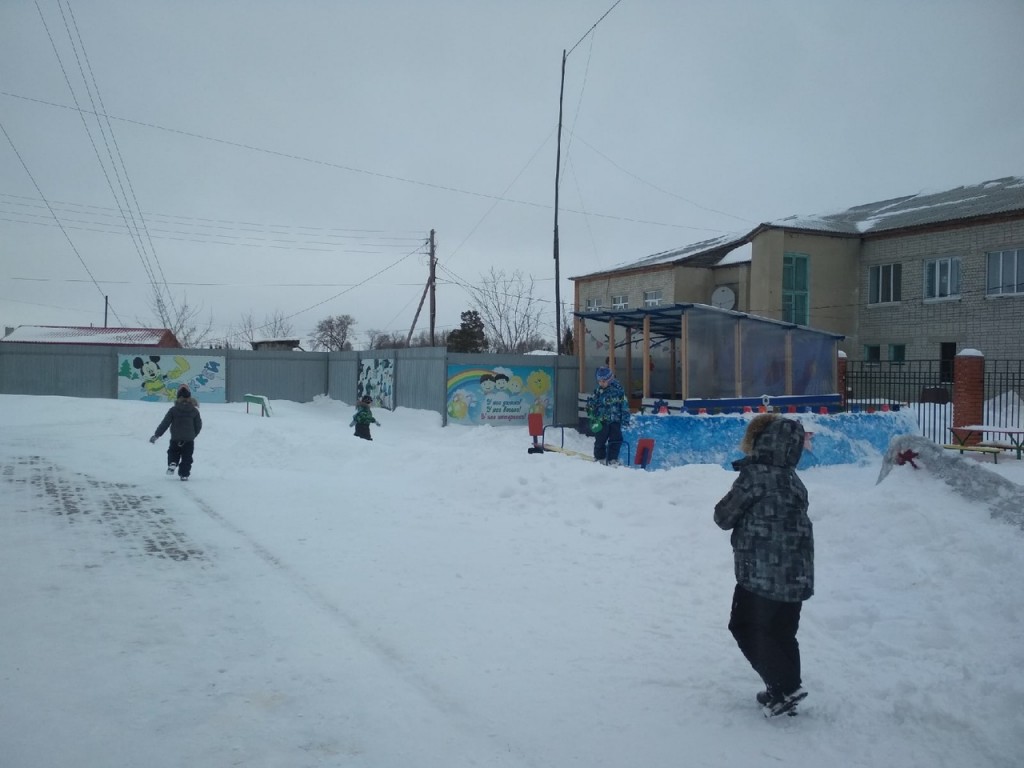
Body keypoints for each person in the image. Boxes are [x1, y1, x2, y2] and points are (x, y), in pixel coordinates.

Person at [714, 413, 814, 718]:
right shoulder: (794, 480)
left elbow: (723, 516)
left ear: (760, 441)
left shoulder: (755, 476)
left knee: (745, 627)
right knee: (782, 632)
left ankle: (785, 687)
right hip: (797, 573)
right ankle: (782, 689)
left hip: (761, 572)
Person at [149, 385, 202, 481]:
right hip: (189, 439)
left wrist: (157, 435)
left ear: (178, 396)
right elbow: (198, 425)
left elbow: (165, 423)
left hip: (175, 438)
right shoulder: (194, 411)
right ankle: (184, 474)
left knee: (173, 452)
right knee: (187, 457)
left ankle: (173, 462)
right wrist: (193, 435)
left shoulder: (173, 410)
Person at [586, 365, 630, 465]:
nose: (601, 383)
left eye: (603, 381)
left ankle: (612, 458)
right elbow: (592, 401)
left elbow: (624, 405)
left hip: (615, 420)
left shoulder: (618, 390)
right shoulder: (598, 391)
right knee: (600, 440)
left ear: (609, 379)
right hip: (601, 420)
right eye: (599, 381)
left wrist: (625, 419)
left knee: (616, 439)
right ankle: (599, 458)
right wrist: (590, 407)